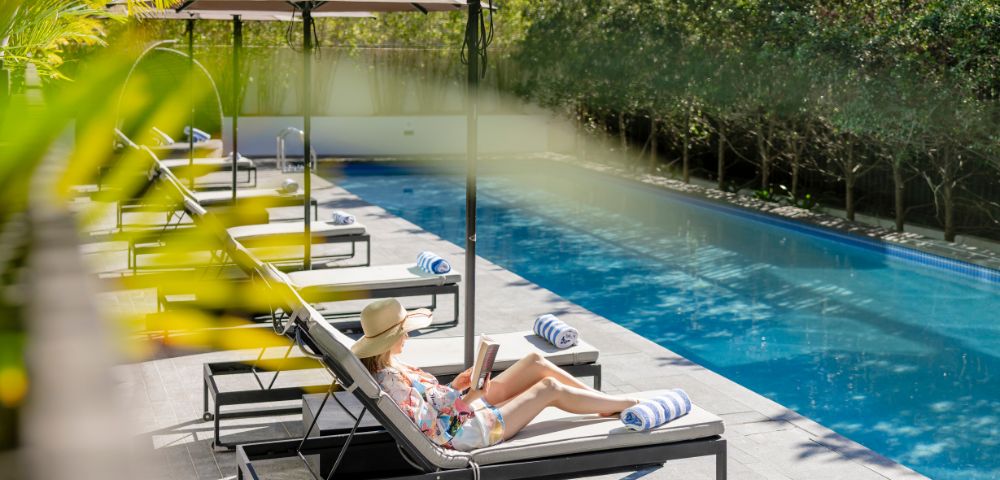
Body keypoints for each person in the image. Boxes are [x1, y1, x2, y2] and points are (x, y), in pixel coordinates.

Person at [351, 298, 639, 452]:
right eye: (405, 332)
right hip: (469, 432)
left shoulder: (391, 367)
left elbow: (429, 404)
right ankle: (624, 406)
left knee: (535, 361)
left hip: (462, 409)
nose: (409, 337)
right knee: (549, 387)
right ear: (389, 340)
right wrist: (471, 398)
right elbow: (438, 435)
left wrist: (456, 386)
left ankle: (603, 401)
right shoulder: (392, 383)